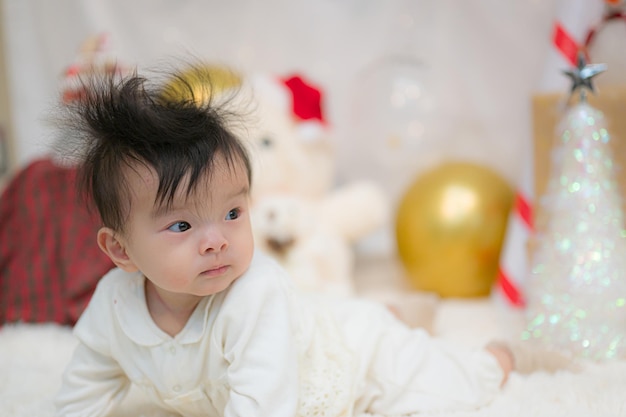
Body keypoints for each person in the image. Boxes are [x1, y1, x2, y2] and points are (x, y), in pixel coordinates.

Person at [55, 64, 515, 417]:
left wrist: (488, 365)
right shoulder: (114, 307)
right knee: (339, 315)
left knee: (442, 383)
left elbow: (262, 405)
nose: (216, 241)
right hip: (310, 318)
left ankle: (494, 356)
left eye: (232, 213)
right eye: (182, 226)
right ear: (120, 250)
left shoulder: (254, 293)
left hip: (357, 354)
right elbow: (84, 388)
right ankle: (400, 312)